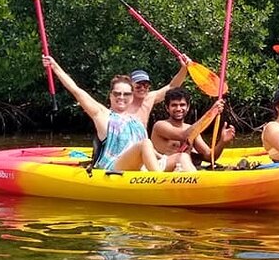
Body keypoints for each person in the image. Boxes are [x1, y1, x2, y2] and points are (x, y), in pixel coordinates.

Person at [41, 55, 189, 172]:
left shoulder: (136, 120)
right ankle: (160, 182)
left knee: (181, 158)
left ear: (132, 97)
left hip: (141, 165)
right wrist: (55, 67)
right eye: (117, 94)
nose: (121, 97)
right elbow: (77, 91)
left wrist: (162, 157)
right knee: (145, 143)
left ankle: (195, 184)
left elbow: (171, 86)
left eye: (126, 94)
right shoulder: (102, 114)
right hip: (113, 166)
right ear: (110, 95)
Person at [151, 87, 236, 169]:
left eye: (182, 105)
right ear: (167, 108)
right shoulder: (160, 125)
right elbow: (184, 136)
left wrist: (222, 141)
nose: (178, 109)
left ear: (187, 107)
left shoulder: (191, 129)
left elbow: (209, 157)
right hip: (165, 171)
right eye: (174, 105)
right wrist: (211, 113)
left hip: (186, 171)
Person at [127, 62, 188, 126]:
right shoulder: (123, 101)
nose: (142, 88)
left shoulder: (149, 98)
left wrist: (184, 68)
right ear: (130, 86)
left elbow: (172, 86)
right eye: (138, 86)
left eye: (146, 85)